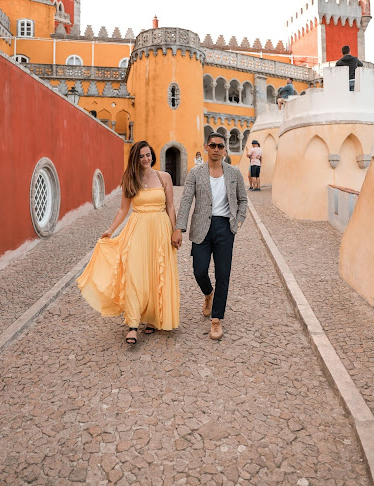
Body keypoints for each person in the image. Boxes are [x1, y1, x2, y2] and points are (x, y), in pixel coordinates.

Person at [77, 140, 180, 345]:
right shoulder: (129, 179)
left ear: (152, 155)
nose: (145, 158)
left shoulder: (164, 177)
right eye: (141, 155)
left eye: (148, 154)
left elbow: (170, 206)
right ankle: (133, 324)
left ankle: (151, 318)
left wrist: (175, 230)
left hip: (160, 229)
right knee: (134, 274)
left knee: (155, 273)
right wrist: (110, 230)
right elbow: (123, 210)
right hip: (137, 229)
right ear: (135, 158)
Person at [171, 133, 247, 340]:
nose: (216, 149)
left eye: (220, 146)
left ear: (224, 150)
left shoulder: (234, 173)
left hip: (225, 228)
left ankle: (216, 319)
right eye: (212, 145)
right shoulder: (195, 173)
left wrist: (237, 222)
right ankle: (208, 294)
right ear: (206, 147)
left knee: (223, 274)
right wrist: (179, 228)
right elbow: (186, 201)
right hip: (201, 227)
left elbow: (243, 200)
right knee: (199, 271)